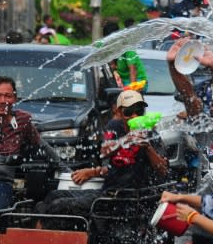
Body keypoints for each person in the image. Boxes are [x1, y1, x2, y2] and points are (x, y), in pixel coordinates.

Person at [35, 90, 168, 217]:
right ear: (120, 113)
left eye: (139, 112)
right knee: (52, 196)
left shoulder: (151, 134)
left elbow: (162, 170)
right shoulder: (115, 127)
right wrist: (126, 139)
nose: (134, 116)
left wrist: (148, 148)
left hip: (129, 197)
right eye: (129, 112)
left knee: (60, 205)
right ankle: (36, 237)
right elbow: (104, 153)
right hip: (108, 192)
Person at [0, 76, 42, 226]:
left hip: (1, 181)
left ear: (15, 99)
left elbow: (41, 146)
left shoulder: (22, 120)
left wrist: (65, 169)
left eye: (8, 96)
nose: (2, 100)